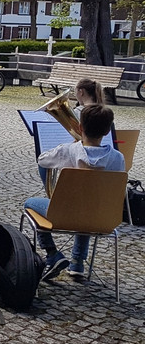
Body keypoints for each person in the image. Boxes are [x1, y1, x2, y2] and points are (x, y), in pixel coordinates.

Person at [25, 104, 124, 281]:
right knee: (88, 205)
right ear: (108, 131)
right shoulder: (118, 158)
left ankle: (52, 253)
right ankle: (77, 263)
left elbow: (42, 160)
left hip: (64, 213)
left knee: (30, 203)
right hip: (102, 218)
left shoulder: (68, 150)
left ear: (79, 127)